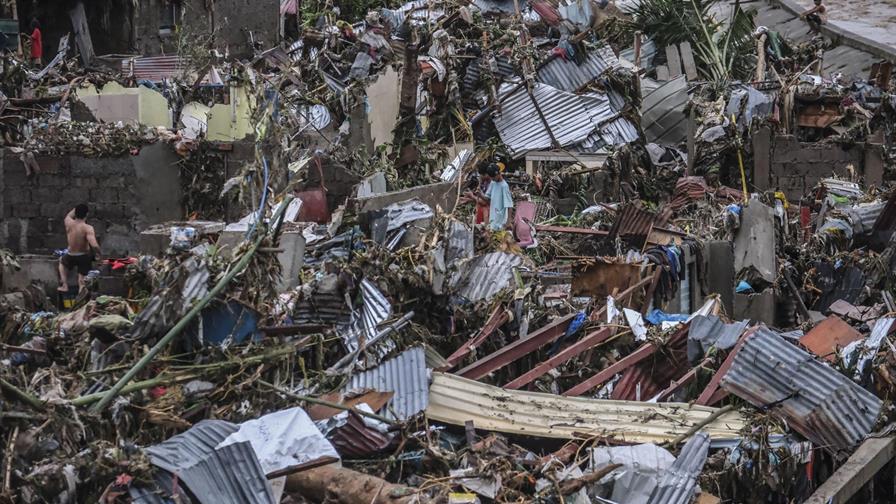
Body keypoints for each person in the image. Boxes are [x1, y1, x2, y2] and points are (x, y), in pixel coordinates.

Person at [58, 204, 101, 292]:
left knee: (62, 262)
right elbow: (94, 245)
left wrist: (75, 209)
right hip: (83, 256)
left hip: (71, 255)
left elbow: (69, 215)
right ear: (87, 214)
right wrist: (99, 255)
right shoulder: (87, 228)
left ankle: (64, 284)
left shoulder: (68, 222)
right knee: (82, 281)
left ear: (75, 213)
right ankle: (81, 296)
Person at [482, 163, 514, 231]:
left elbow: (509, 205)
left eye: (493, 177)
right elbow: (487, 198)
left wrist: (508, 221)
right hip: (493, 218)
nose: (492, 179)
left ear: (498, 174)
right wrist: (480, 194)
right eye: (491, 177)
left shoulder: (504, 186)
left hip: (501, 221)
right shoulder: (493, 183)